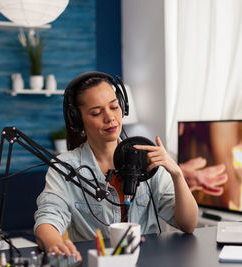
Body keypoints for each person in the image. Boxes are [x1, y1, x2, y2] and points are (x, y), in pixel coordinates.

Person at [34, 72, 198, 261]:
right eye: (96, 113)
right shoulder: (65, 167)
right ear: (77, 119)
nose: (110, 117)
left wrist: (176, 173)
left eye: (114, 106)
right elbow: (48, 217)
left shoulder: (146, 158)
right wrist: (54, 243)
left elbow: (188, 224)